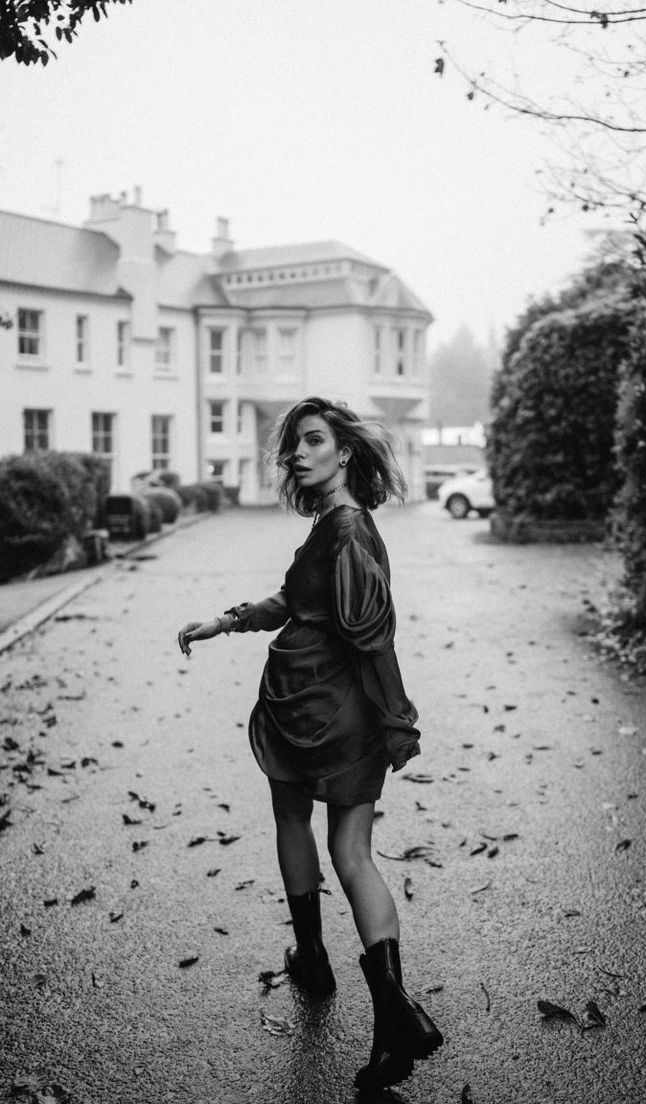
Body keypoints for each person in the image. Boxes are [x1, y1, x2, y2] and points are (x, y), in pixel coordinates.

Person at [177, 396, 443, 1090]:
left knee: (333, 843)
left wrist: (398, 718)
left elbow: (372, 637)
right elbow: (298, 604)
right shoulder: (338, 523)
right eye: (292, 443)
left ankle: (374, 1003)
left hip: (319, 712)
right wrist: (227, 621)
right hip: (314, 707)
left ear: (344, 450)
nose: (298, 452)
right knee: (342, 846)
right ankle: (360, 990)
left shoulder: (349, 531)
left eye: (313, 440)